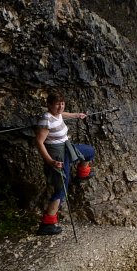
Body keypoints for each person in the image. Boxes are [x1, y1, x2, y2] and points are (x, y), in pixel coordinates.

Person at [35, 91, 95, 236]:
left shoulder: (57, 113)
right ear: (49, 105)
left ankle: (81, 175)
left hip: (67, 147)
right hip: (57, 155)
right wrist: (50, 161)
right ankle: (47, 224)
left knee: (89, 151)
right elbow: (39, 142)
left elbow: (63, 114)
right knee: (61, 189)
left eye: (62, 103)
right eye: (57, 104)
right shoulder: (46, 119)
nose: (60, 106)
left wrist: (77, 115)